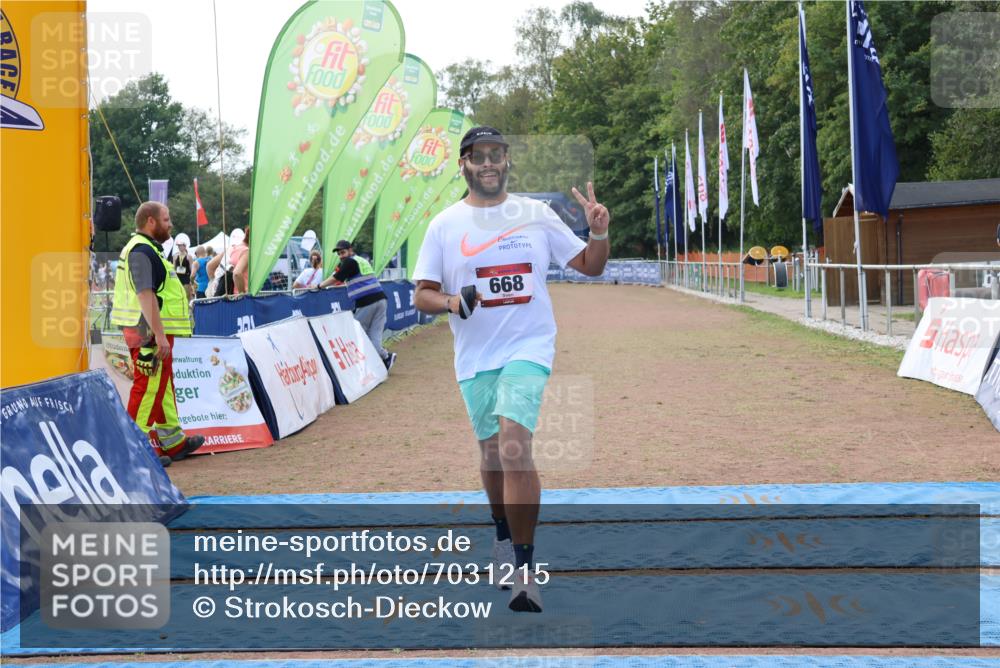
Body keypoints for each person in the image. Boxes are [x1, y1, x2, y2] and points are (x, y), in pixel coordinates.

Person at [412, 126, 610, 612]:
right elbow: (421, 294)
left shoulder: (535, 216)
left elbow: (590, 265)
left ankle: (525, 571)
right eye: (478, 156)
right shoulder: (444, 225)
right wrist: (453, 300)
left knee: (514, 443)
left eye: (496, 155)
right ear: (463, 164)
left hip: (529, 348)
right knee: (492, 455)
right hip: (475, 357)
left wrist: (599, 230)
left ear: (506, 162)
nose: (488, 163)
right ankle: (502, 537)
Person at [110, 201, 205, 465]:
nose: (170, 224)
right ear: (150, 221)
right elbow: (145, 294)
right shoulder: (142, 250)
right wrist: (159, 336)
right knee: (148, 387)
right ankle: (134, 450)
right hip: (147, 332)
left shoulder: (146, 249)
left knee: (161, 387)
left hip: (147, 329)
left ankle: (173, 442)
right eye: (166, 219)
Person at [320, 240, 396, 370]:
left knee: (356, 334)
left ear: (350, 250)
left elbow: (336, 278)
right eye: (339, 254)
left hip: (367, 302)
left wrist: (319, 286)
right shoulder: (361, 260)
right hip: (381, 299)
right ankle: (386, 358)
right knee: (374, 336)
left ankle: (361, 367)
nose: (341, 256)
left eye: (343, 252)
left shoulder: (350, 262)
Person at [172, 233, 194, 300]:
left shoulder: (189, 256)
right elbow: (173, 268)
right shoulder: (175, 256)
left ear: (184, 246)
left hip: (186, 277)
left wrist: (191, 280)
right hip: (178, 278)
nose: (179, 247)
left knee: (186, 295)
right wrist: (173, 279)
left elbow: (191, 269)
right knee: (178, 295)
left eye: (180, 245)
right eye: (178, 246)